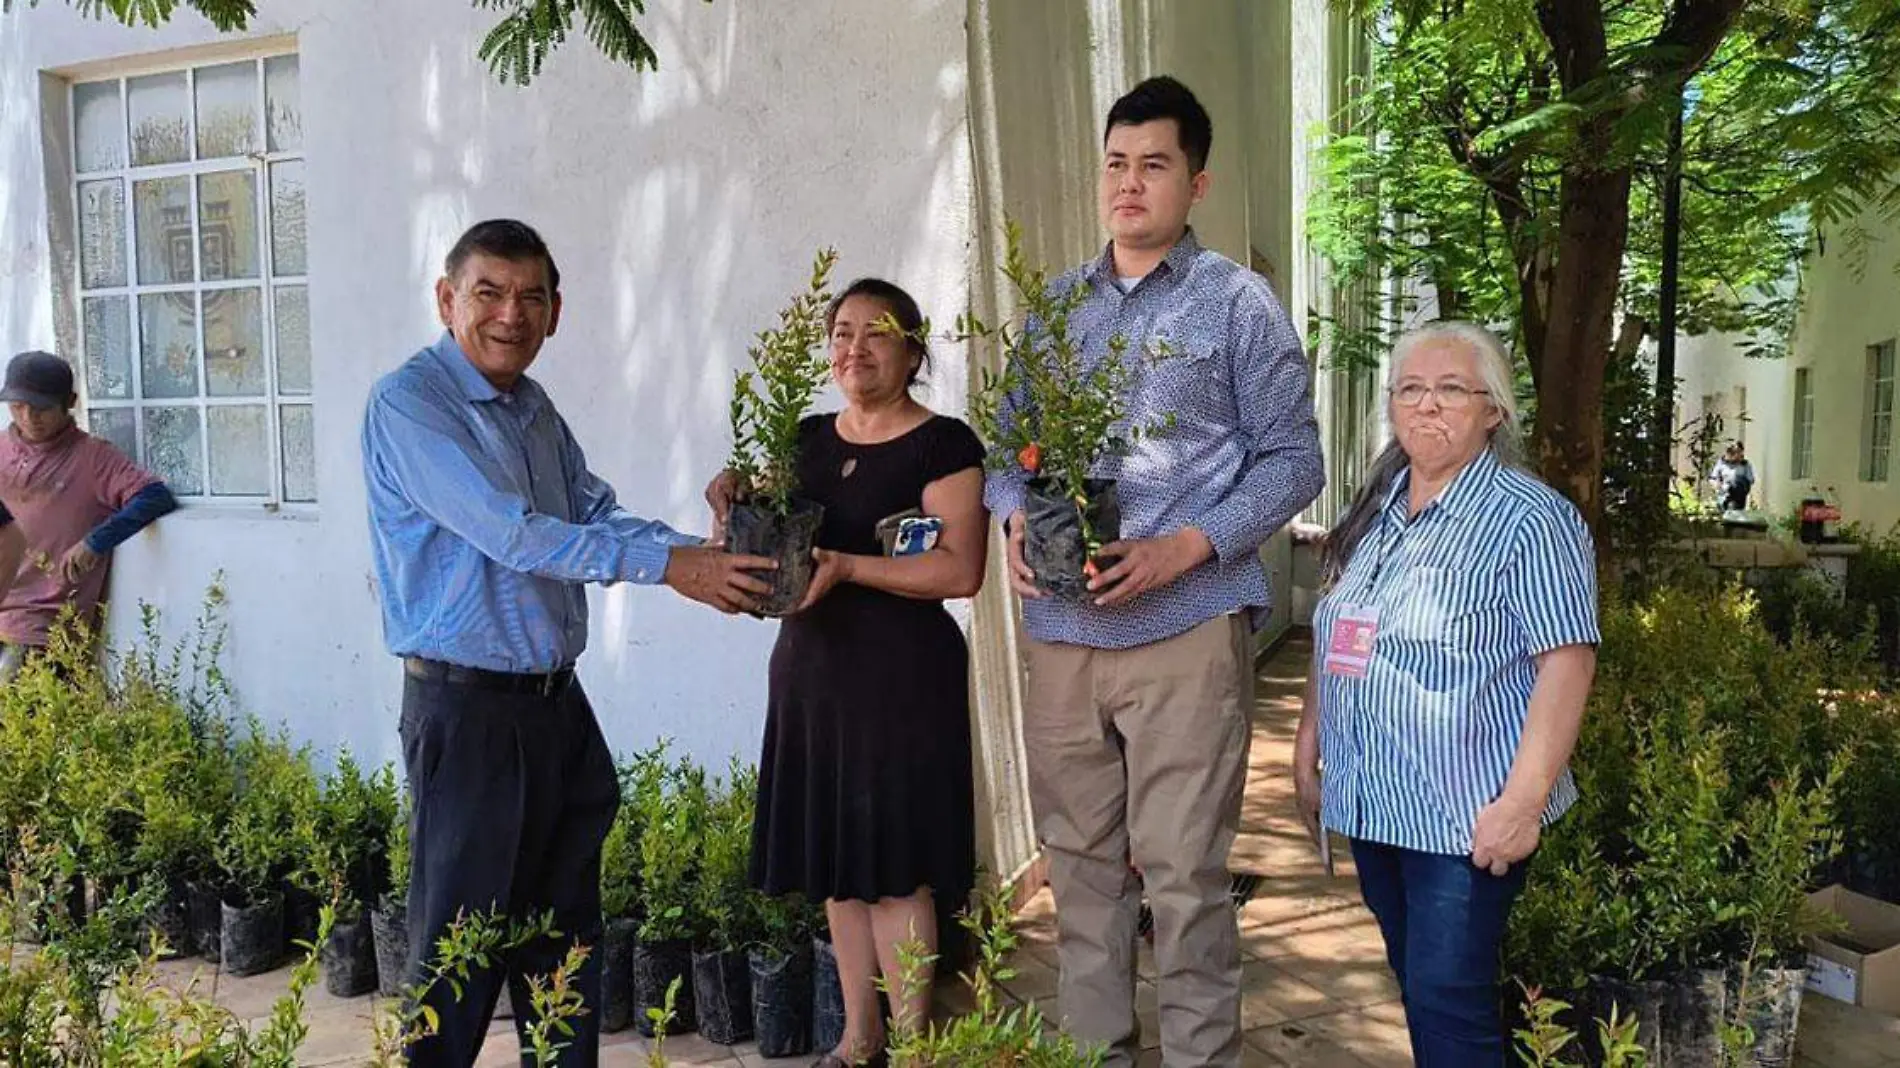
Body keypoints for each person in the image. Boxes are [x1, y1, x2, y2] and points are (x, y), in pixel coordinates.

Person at [361, 219, 776, 1068]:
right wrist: (672, 568)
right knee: (460, 949)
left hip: (554, 709)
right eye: (489, 292)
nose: (511, 314)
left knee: (564, 942)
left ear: (556, 313)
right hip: (467, 713)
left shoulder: (531, 408)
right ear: (448, 300)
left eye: (532, 296)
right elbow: (513, 535)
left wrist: (705, 556)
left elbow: (588, 512)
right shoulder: (410, 405)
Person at [985, 77, 1324, 1067]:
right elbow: (1007, 453)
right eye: (1117, 163)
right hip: (1063, 637)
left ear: (1196, 181)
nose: (1130, 184)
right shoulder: (1054, 309)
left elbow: (1294, 461)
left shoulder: (1237, 305)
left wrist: (1189, 544)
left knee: (1182, 881)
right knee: (1082, 876)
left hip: (1185, 629)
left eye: (1155, 164)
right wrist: (1011, 519)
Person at [1294, 322, 1599, 1067]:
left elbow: (1567, 662)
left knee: (1446, 997)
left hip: (1465, 817)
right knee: (1421, 985)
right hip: (1377, 802)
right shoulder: (1377, 508)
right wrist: (1310, 741)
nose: (1427, 406)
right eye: (1411, 389)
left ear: (1492, 409)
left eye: (1452, 389)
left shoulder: (1532, 521)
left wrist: (1523, 804)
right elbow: (1340, 628)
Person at [708, 278, 988, 1068]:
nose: (855, 348)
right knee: (839, 866)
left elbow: (959, 569)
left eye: (877, 333)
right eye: (841, 333)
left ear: (912, 349)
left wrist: (850, 567)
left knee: (896, 872)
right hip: (812, 672)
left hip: (901, 681)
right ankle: (858, 1038)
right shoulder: (804, 441)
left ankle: (917, 1048)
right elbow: (767, 537)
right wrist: (732, 498)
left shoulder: (944, 445)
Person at [0, 350, 177, 679]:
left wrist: (95, 542)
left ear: (70, 401)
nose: (27, 417)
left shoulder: (93, 457)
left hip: (42, 625)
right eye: (17, 406)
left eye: (40, 408)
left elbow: (155, 496)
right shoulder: (2, 449)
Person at [1711, 441, 1754, 512]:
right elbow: (1713, 478)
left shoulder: (1745, 464)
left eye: (1739, 452)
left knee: (1737, 481)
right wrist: (1716, 484)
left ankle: (1733, 505)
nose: (1737, 455)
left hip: (1739, 494)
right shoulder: (1721, 463)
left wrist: (1738, 481)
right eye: (1734, 452)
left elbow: (1751, 480)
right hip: (1723, 492)